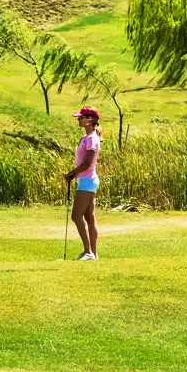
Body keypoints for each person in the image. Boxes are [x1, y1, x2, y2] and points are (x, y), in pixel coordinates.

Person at [63, 106, 102, 261]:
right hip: (86, 180)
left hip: (87, 180)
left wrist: (71, 174)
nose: (78, 120)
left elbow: (87, 163)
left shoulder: (92, 139)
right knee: (89, 217)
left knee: (76, 216)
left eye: (81, 118)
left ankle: (88, 252)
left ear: (90, 120)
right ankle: (93, 253)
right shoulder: (88, 137)